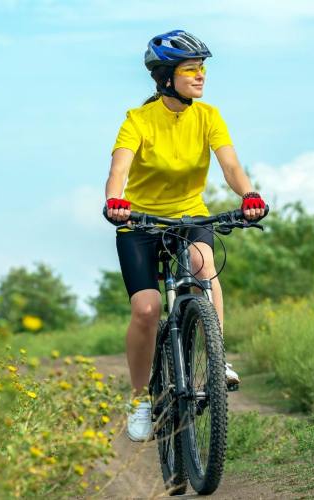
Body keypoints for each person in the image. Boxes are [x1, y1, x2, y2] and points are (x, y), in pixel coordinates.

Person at [103, 30, 266, 442]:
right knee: (146, 307)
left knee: (202, 264)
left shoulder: (208, 116)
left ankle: (217, 358)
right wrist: (114, 201)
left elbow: (230, 166)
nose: (201, 76)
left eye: (202, 69)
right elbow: (118, 170)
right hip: (139, 220)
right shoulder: (137, 120)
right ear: (164, 78)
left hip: (190, 213)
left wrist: (248, 195)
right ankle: (140, 399)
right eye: (191, 69)